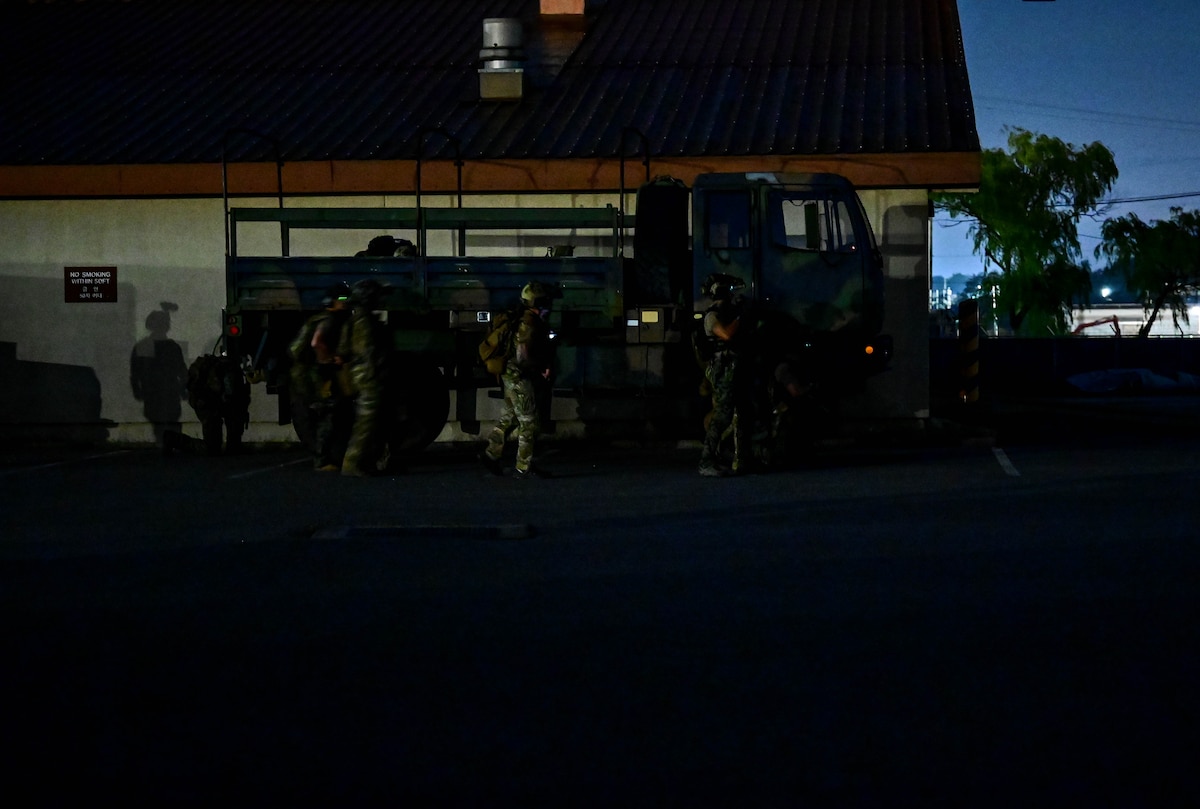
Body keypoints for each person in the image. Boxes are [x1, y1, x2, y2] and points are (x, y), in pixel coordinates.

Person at [480, 281, 555, 480]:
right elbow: (523, 357)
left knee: (511, 417)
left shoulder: (521, 317)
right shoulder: (529, 323)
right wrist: (541, 368)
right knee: (529, 422)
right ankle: (523, 467)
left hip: (510, 375)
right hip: (520, 377)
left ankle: (491, 455)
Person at [288, 282, 353, 471]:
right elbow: (316, 343)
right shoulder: (329, 320)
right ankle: (322, 460)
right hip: (313, 374)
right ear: (331, 301)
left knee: (327, 414)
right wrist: (331, 359)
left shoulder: (322, 318)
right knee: (328, 415)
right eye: (342, 299)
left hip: (310, 373)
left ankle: (326, 457)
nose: (345, 302)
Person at [697, 273, 754, 476]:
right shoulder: (712, 315)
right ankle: (706, 461)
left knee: (742, 414)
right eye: (730, 292)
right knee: (722, 415)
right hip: (723, 370)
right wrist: (740, 317)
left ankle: (741, 460)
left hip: (735, 368)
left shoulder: (726, 313)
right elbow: (726, 334)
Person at [337, 278, 391, 476]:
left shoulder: (357, 321)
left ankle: (367, 461)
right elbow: (368, 353)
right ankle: (352, 463)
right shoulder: (364, 323)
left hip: (364, 377)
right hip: (368, 378)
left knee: (373, 421)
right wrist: (374, 378)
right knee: (366, 422)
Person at [164, 349, 251, 456]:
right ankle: (173, 439)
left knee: (231, 447)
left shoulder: (232, 370)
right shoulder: (228, 371)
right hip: (207, 404)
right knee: (212, 448)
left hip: (216, 403)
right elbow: (230, 397)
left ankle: (231, 446)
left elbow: (236, 401)